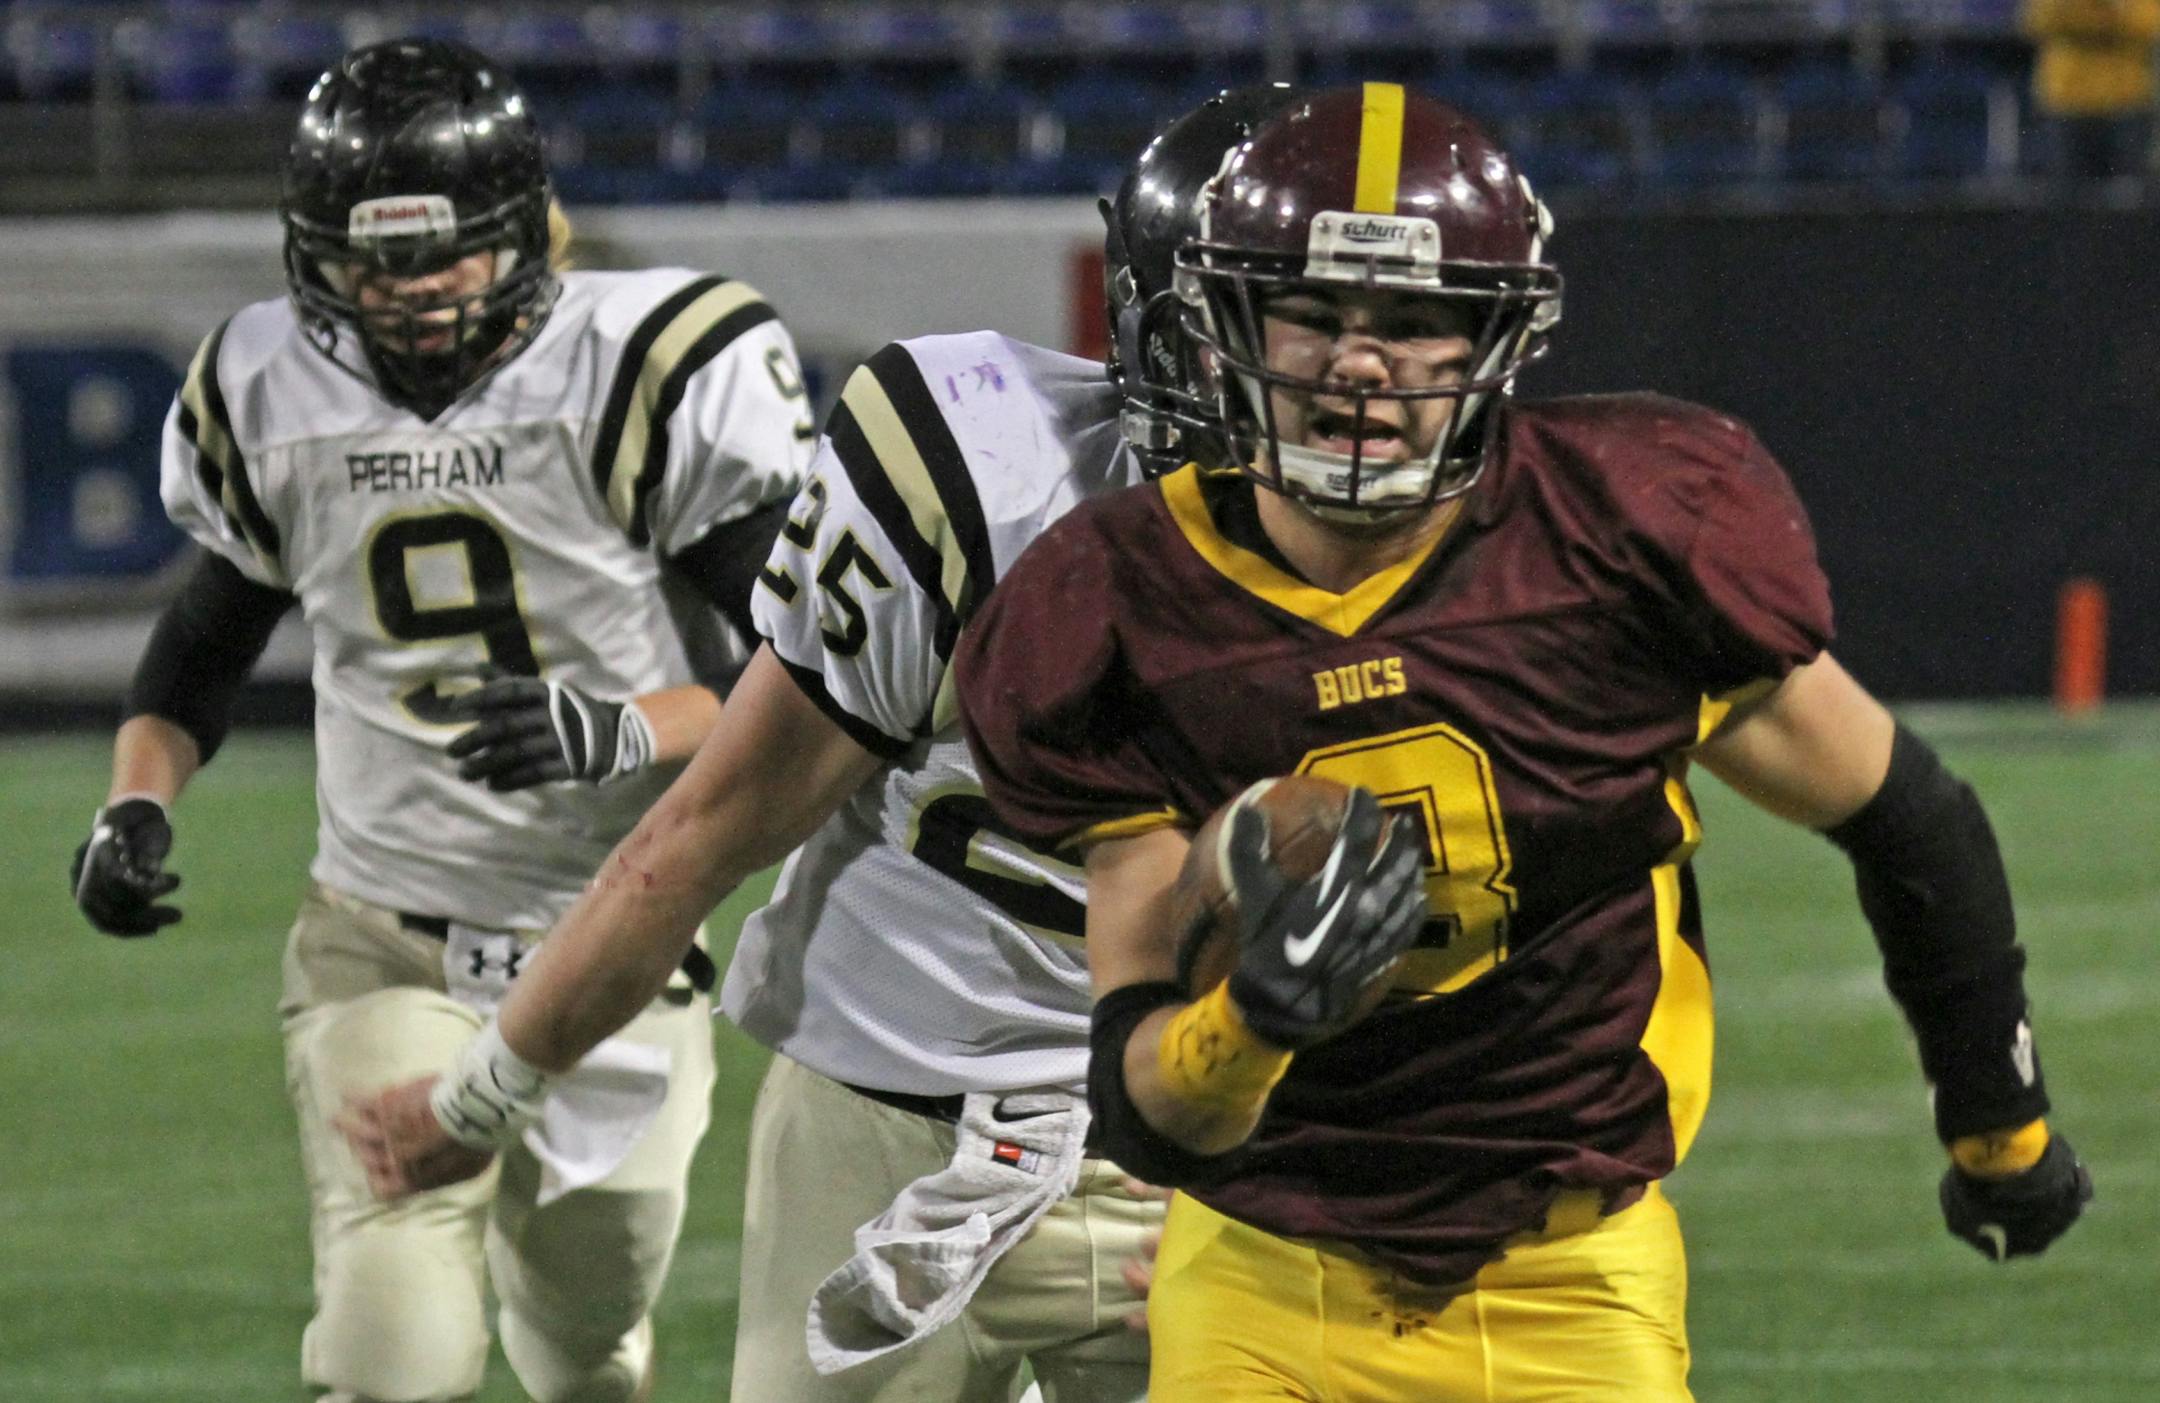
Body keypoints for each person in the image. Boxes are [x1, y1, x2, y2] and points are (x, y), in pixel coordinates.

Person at [954, 83, 2095, 1402]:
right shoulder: (1119, 603)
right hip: (1264, 1263)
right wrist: (1259, 1016)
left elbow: (1909, 818)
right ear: (1225, 324)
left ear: (1495, 340)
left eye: (1414, 321)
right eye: (1314, 311)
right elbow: (1147, 1107)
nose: (1359, 362)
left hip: (1571, 1269)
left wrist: (2000, 1126)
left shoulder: (1621, 540)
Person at [335, 87, 1304, 1402]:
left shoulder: (1497, 570)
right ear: (1156, 325)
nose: (1331, 375)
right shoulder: (981, 469)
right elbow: (706, 830)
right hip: (888, 1123)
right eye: (1282, 323)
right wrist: (484, 1091)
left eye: (1382, 328)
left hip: (1222, 1140)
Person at [66, 37, 813, 1403]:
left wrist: (618, 730)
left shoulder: (640, 367)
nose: (408, 294)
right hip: (384, 932)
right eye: (374, 262)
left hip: (615, 934)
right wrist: (134, 799)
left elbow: (809, 676)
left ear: (526, 231)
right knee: (390, 1340)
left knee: (590, 1335)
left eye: (444, 255)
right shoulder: (270, 389)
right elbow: (198, 654)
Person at [2023, 0, 2160, 181]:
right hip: (2066, 102)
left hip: (2127, 102)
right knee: (2064, 195)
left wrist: (2088, 18)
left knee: (2128, 195)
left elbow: (2150, 23)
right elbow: (2037, 20)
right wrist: (2107, 17)